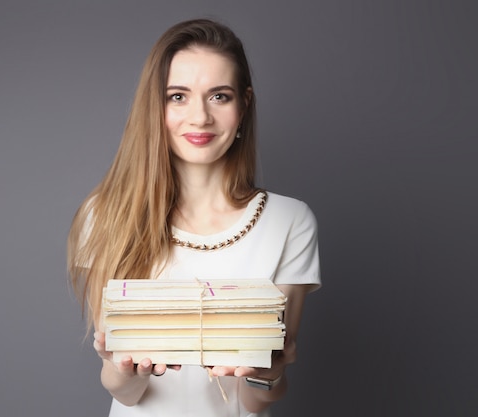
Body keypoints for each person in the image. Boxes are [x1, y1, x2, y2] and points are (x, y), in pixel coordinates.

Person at [67, 18, 321, 417]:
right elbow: (127, 393)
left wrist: (268, 371)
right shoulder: (104, 215)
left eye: (219, 96)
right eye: (177, 96)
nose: (200, 118)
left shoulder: (289, 221)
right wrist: (123, 368)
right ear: (155, 106)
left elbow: (256, 399)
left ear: (244, 104)